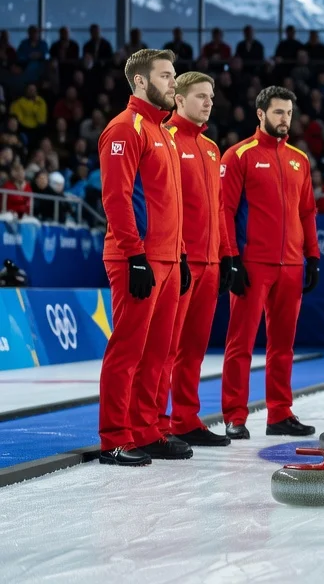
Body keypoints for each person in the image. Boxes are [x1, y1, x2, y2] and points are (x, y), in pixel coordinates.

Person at [96, 49, 190, 466]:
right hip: (138, 257)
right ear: (139, 82)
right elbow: (116, 199)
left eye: (173, 76)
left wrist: (181, 254)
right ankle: (115, 437)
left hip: (167, 259)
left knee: (160, 352)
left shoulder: (163, 132)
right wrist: (134, 254)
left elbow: (171, 203)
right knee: (128, 350)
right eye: (166, 76)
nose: (174, 83)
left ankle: (147, 429)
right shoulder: (124, 129)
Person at [219, 86, 320, 440]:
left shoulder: (299, 159)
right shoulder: (239, 155)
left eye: (288, 114)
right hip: (253, 264)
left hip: (291, 266)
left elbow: (307, 211)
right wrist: (231, 257)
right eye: (278, 113)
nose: (284, 119)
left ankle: (280, 414)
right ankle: (235, 414)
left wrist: (313, 256)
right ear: (260, 114)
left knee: (283, 346)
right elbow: (225, 211)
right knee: (240, 343)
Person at [156, 71, 231, 448]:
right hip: (179, 260)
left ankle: (185, 418)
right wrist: (180, 253)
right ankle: (156, 423)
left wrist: (227, 255)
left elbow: (218, 208)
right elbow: (168, 205)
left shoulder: (211, 148)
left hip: (211, 263)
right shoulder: (167, 138)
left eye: (211, 97)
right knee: (166, 347)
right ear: (179, 100)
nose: (208, 103)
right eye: (200, 96)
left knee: (195, 349)